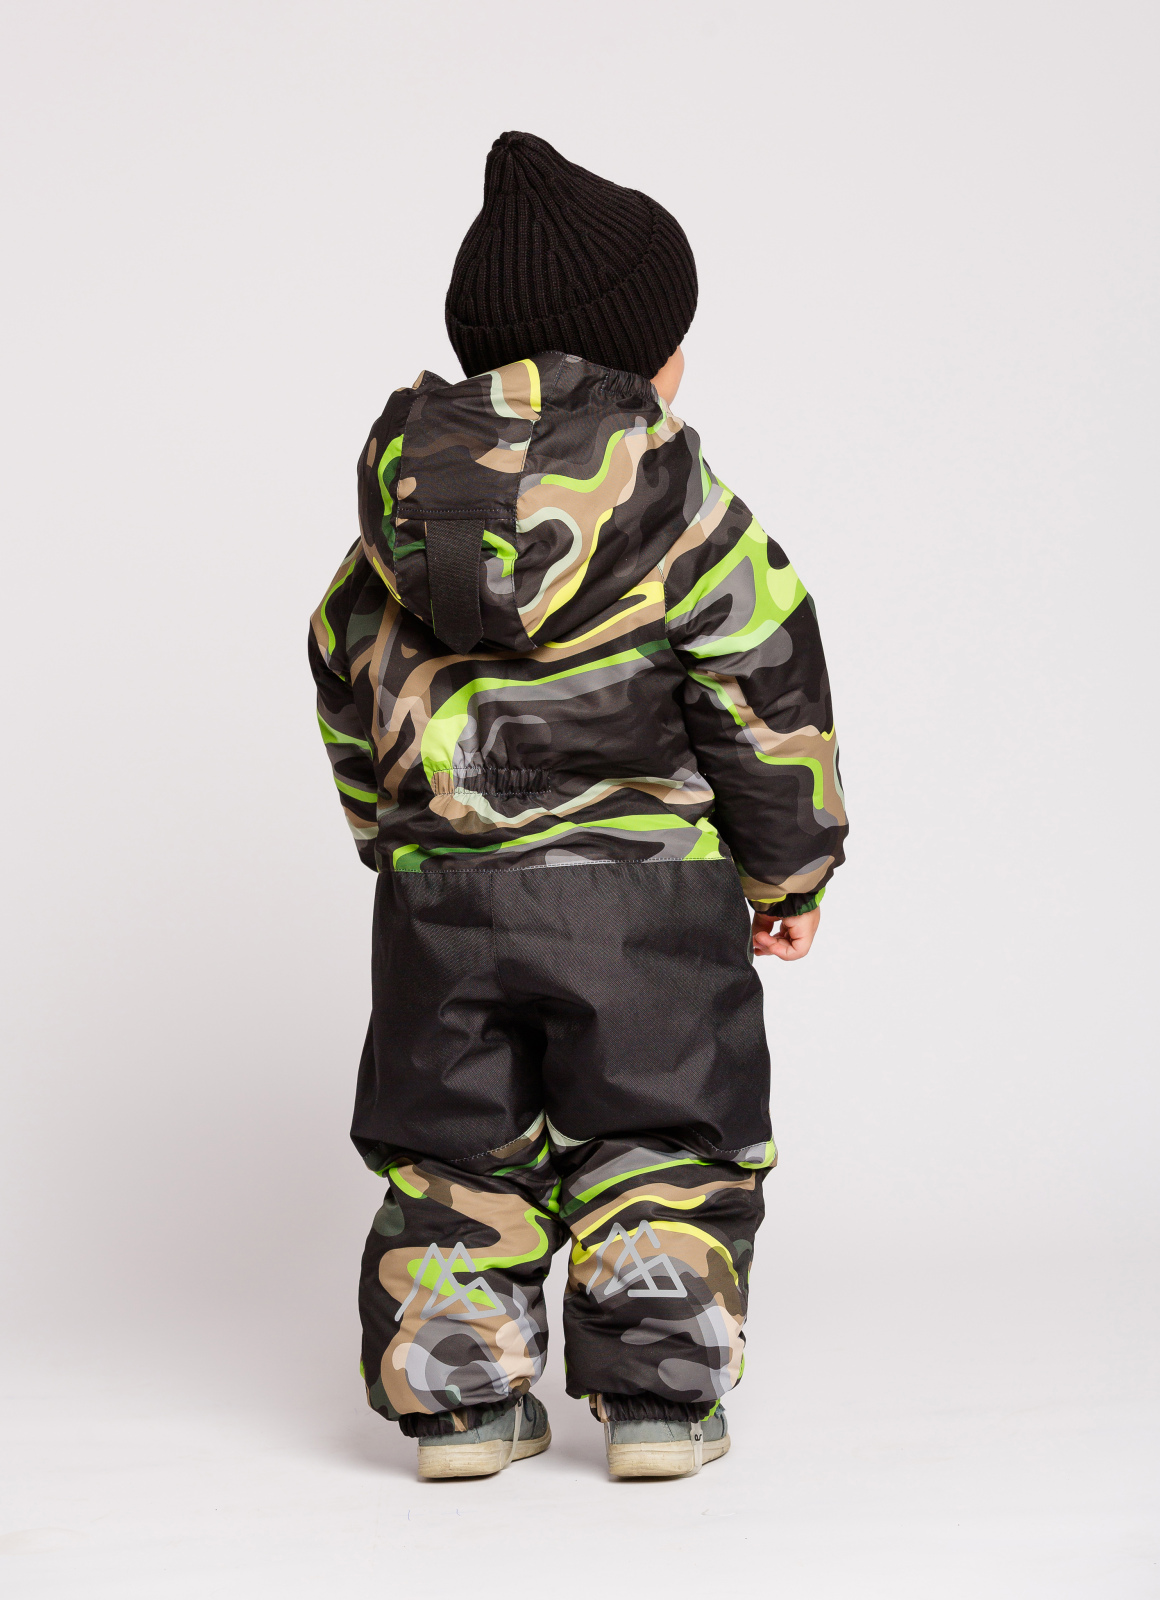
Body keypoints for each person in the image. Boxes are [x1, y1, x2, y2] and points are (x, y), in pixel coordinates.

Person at [309, 131, 848, 1481]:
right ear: (640, 359)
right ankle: (660, 1406)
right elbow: (765, 684)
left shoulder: (399, 519)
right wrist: (789, 871)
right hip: (645, 908)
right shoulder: (681, 504)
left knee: (453, 1152)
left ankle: (462, 1411)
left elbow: (341, 668)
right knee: (660, 1134)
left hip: (444, 904)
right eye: (673, 342)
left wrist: (393, 838)